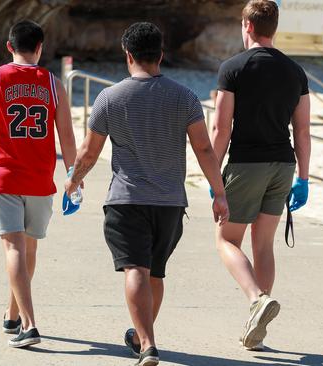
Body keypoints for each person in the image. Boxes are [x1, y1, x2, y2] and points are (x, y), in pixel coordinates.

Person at [65, 22, 229, 366]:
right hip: (170, 202)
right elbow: (204, 149)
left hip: (127, 199)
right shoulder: (185, 97)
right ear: (161, 55)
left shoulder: (109, 97)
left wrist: (73, 181)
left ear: (128, 55)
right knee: (155, 272)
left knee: (135, 269)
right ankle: (142, 336)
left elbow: (89, 153)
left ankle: (148, 345)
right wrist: (219, 193)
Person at [0, 20, 79, 348]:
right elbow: (66, 136)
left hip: (5, 177)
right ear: (40, 48)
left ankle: (28, 324)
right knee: (30, 249)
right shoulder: (53, 84)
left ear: (9, 46)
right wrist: (73, 178)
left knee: (13, 249)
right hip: (40, 180)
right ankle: (12, 314)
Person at [210, 0, 311, 351]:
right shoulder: (295, 71)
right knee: (263, 245)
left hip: (246, 163)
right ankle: (257, 327)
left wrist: (213, 178)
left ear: (248, 26)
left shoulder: (233, 68)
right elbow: (303, 131)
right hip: (283, 165)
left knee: (226, 240)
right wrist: (305, 178)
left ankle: (256, 298)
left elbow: (221, 128)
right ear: (274, 27)